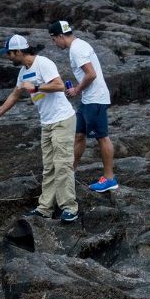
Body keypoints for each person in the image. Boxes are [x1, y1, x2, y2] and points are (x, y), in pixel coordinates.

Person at [0, 34, 79, 223]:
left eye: (9, 53)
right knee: (49, 167)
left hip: (62, 119)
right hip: (47, 123)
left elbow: (59, 86)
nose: (8, 57)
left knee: (62, 164)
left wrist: (35, 88)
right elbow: (14, 95)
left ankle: (70, 208)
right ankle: (45, 208)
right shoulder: (23, 72)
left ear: (18, 51)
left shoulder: (43, 63)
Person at [49, 20, 118, 193]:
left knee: (102, 137)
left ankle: (110, 179)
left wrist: (77, 90)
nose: (54, 43)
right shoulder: (80, 45)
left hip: (95, 98)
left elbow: (91, 74)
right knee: (79, 135)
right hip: (88, 99)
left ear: (59, 36)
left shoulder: (77, 50)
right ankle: (69, 172)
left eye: (53, 39)